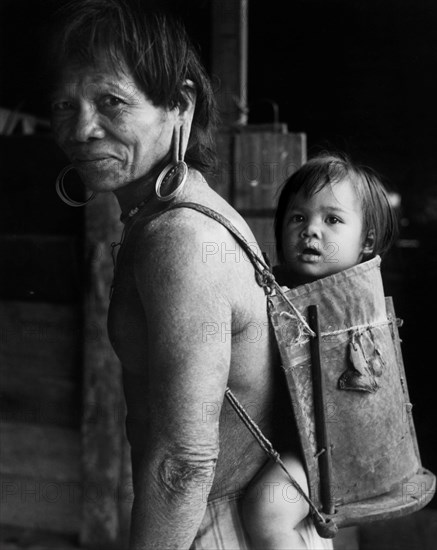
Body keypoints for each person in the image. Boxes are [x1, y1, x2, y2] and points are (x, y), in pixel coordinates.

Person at [46, 0, 332, 548]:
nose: (81, 129)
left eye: (111, 101)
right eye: (64, 104)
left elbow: (184, 461)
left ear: (181, 103)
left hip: (220, 528)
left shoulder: (181, 239)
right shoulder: (180, 216)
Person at [242, 153, 398, 548]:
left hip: (341, 444)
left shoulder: (356, 301)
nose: (311, 231)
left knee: (267, 509)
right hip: (301, 439)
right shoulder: (272, 288)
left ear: (366, 241)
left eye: (332, 219)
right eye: (298, 218)